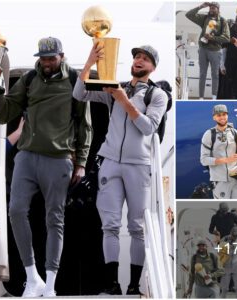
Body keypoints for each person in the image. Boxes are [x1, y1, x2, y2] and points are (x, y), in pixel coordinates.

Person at [0, 37, 93, 297]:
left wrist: (81, 162)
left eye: (51, 57)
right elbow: (3, 114)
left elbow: (85, 124)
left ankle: (50, 283)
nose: (46, 62)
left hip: (59, 158)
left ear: (61, 55)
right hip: (26, 156)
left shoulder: (73, 80)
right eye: (43, 58)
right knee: (15, 211)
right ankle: (32, 276)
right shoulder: (28, 80)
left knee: (54, 219)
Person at [73, 43, 168, 295]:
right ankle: (112, 284)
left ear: (152, 67)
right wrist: (90, 61)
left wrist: (123, 100)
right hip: (111, 162)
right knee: (110, 225)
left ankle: (134, 286)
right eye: (136, 56)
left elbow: (149, 128)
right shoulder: (116, 87)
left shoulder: (157, 95)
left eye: (145, 58)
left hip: (139, 165)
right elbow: (79, 94)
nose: (138, 60)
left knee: (136, 227)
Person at [200, 104, 237, 199]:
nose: (222, 117)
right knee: (224, 209)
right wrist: (225, 160)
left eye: (224, 114)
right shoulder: (209, 135)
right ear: (214, 117)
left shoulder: (235, 133)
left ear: (227, 115)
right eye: (219, 115)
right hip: (220, 182)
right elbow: (204, 160)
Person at [186, 2, 230, 99]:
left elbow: (227, 38)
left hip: (215, 51)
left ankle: (214, 97)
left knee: (215, 75)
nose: (211, 9)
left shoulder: (223, 21)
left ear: (218, 9)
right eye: (210, 7)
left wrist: (212, 38)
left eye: (214, 8)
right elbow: (188, 15)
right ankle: (201, 97)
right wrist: (200, 7)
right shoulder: (205, 18)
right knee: (202, 74)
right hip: (203, 49)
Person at [220, 226, 237, 298]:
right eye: (233, 235)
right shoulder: (224, 239)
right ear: (230, 233)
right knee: (224, 288)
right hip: (226, 265)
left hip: (236, 264)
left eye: (236, 236)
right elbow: (220, 254)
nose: (235, 237)